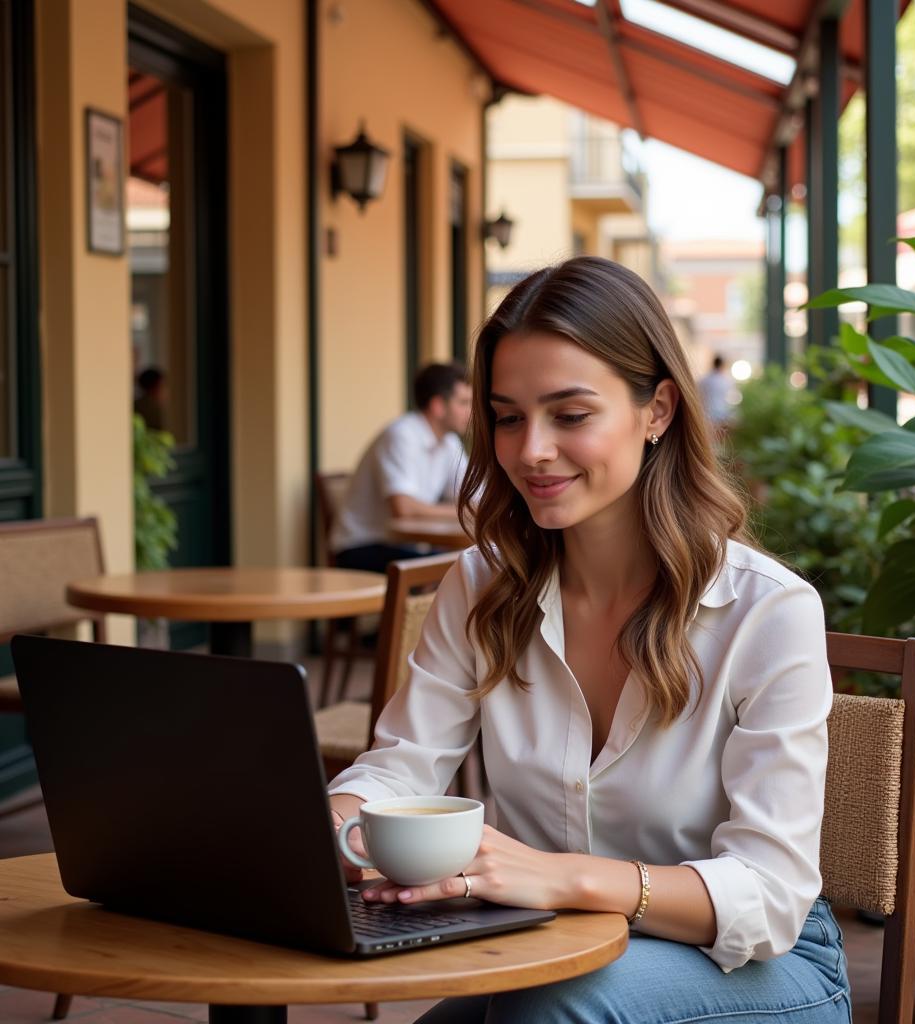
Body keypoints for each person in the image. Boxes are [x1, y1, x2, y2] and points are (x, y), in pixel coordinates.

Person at [328, 257, 848, 1024]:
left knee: (551, 1014)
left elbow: (768, 897)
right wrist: (336, 825)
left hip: (759, 965)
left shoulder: (767, 613)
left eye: (570, 415)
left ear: (658, 410)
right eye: (507, 417)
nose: (530, 450)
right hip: (554, 953)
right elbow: (402, 768)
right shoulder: (483, 586)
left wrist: (557, 878)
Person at [332, 362, 472, 575]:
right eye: (463, 402)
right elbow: (403, 508)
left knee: (475, 561)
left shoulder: (449, 442)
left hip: (404, 545)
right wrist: (463, 511)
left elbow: (472, 494)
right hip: (360, 547)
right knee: (459, 568)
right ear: (438, 406)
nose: (470, 411)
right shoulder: (401, 436)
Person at [698, 354, 734, 433]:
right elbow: (731, 398)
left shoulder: (704, 380)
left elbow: (699, 395)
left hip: (706, 414)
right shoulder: (726, 381)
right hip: (722, 414)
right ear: (722, 365)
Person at [134, 366, 167, 431]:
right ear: (155, 387)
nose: (165, 391)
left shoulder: (137, 403)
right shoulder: (152, 408)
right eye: (162, 386)